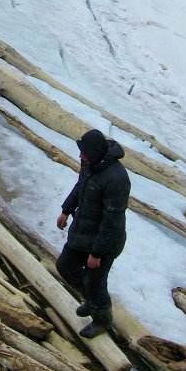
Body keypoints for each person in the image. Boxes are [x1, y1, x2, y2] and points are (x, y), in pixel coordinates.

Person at [55, 128, 130, 338]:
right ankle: (91, 300)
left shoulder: (117, 180)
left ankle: (102, 320)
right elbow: (81, 187)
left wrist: (97, 253)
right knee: (65, 266)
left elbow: (112, 223)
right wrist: (66, 210)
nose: (80, 156)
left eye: (84, 153)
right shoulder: (90, 163)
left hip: (104, 242)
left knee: (95, 282)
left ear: (96, 153)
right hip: (83, 230)